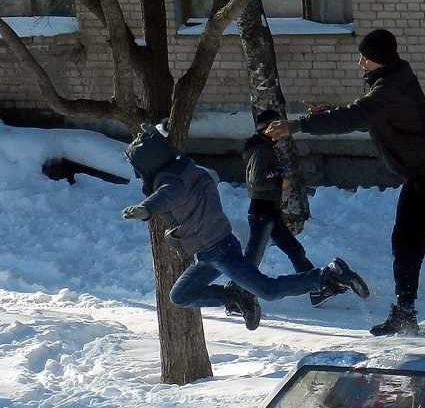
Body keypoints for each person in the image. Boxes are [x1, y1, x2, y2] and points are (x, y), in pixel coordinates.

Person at [264, 28, 425, 336]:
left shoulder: (390, 88)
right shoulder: (389, 82)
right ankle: (405, 313)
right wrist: (325, 114)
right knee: (405, 246)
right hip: (420, 177)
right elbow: (364, 114)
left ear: (379, 59)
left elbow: (357, 115)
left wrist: (297, 125)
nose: (360, 64)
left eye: (365, 58)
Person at [121, 122, 369, 330]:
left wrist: (146, 209)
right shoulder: (188, 171)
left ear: (148, 164)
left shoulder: (172, 182)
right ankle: (234, 296)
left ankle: (327, 275)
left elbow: (167, 195)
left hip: (219, 250)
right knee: (180, 295)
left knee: (269, 290)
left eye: (138, 168)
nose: (139, 175)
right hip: (208, 252)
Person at [242, 108, 344, 308]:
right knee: (251, 260)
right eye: (277, 127)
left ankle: (316, 290)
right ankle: (237, 295)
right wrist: (280, 182)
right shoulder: (261, 151)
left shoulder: (265, 148)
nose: (281, 131)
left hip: (270, 211)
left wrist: (278, 173)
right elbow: (256, 183)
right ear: (267, 129)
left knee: (295, 250)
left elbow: (266, 176)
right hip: (262, 212)